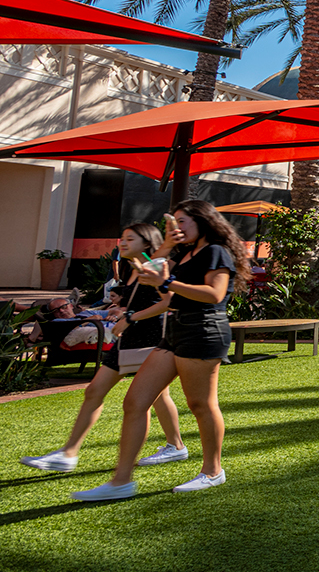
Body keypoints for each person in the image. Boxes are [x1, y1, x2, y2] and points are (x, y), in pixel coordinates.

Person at [71, 201, 241, 501]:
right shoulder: (185, 254)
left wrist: (168, 281)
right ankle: (121, 481)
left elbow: (214, 293)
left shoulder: (216, 251)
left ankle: (213, 471)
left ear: (203, 221)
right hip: (174, 331)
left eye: (183, 221)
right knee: (135, 401)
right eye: (173, 221)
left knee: (200, 404)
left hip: (203, 330)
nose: (177, 226)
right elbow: (154, 278)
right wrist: (164, 247)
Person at [21, 223, 189, 476]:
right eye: (122, 237)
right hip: (130, 338)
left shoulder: (151, 265)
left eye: (130, 239)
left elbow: (168, 302)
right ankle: (68, 454)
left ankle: (162, 454)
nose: (122, 242)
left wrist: (131, 317)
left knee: (148, 398)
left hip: (150, 339)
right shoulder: (131, 267)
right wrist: (125, 314)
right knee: (98, 391)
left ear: (146, 243)